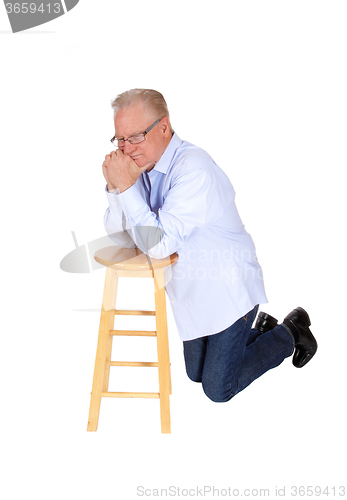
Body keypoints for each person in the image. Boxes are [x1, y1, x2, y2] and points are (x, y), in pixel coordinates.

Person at [102, 88, 317, 403]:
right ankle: (262, 333)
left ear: (163, 127)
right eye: (119, 139)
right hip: (192, 291)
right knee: (196, 372)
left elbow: (158, 246)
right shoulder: (142, 170)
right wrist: (115, 188)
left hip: (227, 289)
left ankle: (289, 332)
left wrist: (128, 187)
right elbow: (121, 237)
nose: (125, 149)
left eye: (135, 137)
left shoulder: (193, 168)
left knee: (218, 388)